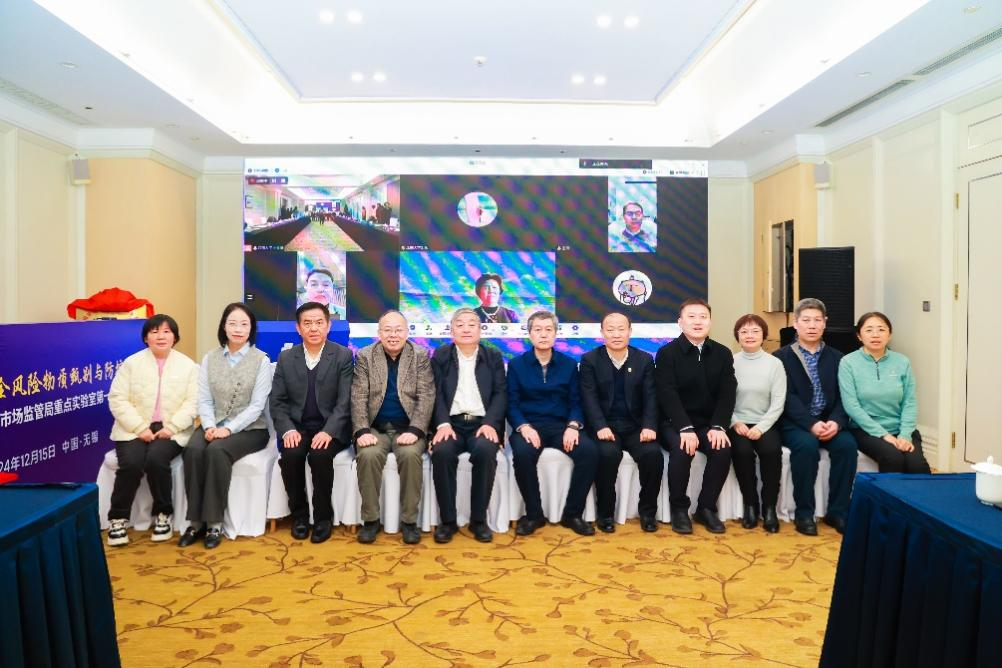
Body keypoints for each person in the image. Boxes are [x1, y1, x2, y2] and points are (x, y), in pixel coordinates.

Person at [178, 303, 272, 549]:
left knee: (217, 451)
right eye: (232, 323)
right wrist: (209, 426)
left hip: (251, 429)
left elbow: (257, 406)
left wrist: (228, 430)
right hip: (212, 424)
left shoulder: (261, 360)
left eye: (244, 324)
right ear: (223, 327)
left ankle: (214, 523)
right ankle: (195, 522)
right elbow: (204, 399)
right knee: (193, 449)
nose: (238, 329)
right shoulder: (210, 358)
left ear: (251, 329)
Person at [106, 314, 198, 546]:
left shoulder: (188, 366)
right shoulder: (131, 364)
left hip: (172, 429)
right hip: (133, 428)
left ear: (175, 337)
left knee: (157, 460)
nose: (161, 336)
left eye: (167, 331)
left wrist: (172, 427)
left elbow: (194, 402)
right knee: (131, 463)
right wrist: (139, 427)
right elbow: (117, 398)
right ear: (146, 337)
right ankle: (118, 518)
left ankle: (163, 514)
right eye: (155, 332)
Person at [508, 311, 598, 537]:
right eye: (538, 330)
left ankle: (572, 514)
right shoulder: (517, 365)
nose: (543, 334)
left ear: (556, 334)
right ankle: (534, 515)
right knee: (522, 454)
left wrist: (573, 426)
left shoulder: (569, 364)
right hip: (530, 426)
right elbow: (511, 403)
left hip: (561, 426)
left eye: (548, 329)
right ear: (529, 334)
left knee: (589, 451)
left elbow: (577, 401)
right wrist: (523, 426)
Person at [270, 302, 354, 544]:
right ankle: (299, 517)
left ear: (328, 326)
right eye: (307, 323)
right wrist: (287, 429)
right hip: (297, 428)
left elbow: (345, 402)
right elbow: (277, 401)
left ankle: (323, 518)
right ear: (298, 328)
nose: (313, 328)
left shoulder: (342, 355)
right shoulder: (286, 358)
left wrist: (329, 431)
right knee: (291, 456)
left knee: (319, 456)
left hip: (330, 429)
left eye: (319, 323)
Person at [775, 298, 858, 536]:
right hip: (796, 424)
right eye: (806, 320)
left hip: (830, 421)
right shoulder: (781, 357)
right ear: (795, 323)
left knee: (847, 446)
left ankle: (838, 512)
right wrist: (811, 424)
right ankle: (804, 513)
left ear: (825, 323)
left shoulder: (839, 358)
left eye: (817, 320)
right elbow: (786, 398)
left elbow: (845, 396)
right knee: (806, 447)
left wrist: (837, 422)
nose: (812, 325)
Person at [351, 310, 434, 545]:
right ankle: (371, 520)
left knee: (409, 455)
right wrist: (362, 431)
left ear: (407, 332)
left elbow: (426, 396)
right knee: (367, 455)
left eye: (398, 330)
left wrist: (416, 430)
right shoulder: (366, 355)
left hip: (408, 428)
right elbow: (358, 396)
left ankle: (409, 521)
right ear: (379, 333)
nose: (393, 335)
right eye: (387, 330)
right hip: (375, 428)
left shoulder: (420, 355)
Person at [655, 298, 736, 534]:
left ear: (710, 322)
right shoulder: (667, 353)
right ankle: (679, 509)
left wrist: (719, 426)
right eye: (691, 317)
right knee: (682, 449)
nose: (697, 322)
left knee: (722, 449)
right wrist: (684, 428)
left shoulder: (722, 353)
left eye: (703, 317)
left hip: (707, 424)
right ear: (680, 322)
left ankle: (706, 508)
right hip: (674, 422)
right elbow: (667, 394)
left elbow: (727, 393)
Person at [429, 307, 507, 543]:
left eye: (471, 324)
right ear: (451, 331)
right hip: (450, 423)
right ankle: (448, 521)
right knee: (442, 453)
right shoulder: (441, 356)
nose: (466, 329)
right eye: (460, 324)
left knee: (485, 451)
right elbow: (435, 394)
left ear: (480, 330)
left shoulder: (493, 356)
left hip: (482, 424)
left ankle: (478, 521)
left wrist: (491, 423)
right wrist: (442, 424)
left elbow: (500, 393)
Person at [580, 312, 662, 533]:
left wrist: (649, 425)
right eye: (610, 329)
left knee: (653, 455)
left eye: (621, 329)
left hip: (636, 427)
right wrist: (600, 426)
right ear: (602, 333)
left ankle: (648, 513)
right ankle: (605, 514)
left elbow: (651, 397)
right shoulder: (590, 360)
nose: (616, 334)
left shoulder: (644, 359)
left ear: (630, 332)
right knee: (607, 455)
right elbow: (589, 398)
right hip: (605, 426)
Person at [838, 312, 931, 474]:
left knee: (917, 465)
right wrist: (884, 435)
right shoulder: (848, 362)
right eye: (869, 330)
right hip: (865, 430)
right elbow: (851, 406)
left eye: (881, 329)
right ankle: (887, 493)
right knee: (893, 457)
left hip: (899, 428)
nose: (875, 334)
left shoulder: (902, 362)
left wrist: (905, 435)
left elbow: (909, 402)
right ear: (859, 336)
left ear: (889, 334)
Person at [728, 314, 786, 533]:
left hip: (765, 423)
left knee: (771, 452)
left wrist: (761, 427)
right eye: (744, 331)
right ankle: (750, 505)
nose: (749, 335)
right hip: (738, 423)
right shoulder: (730, 362)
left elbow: (778, 401)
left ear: (764, 335)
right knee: (741, 452)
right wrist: (735, 422)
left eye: (755, 331)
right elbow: (723, 399)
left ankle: (769, 508)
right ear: (737, 336)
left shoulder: (775, 364)